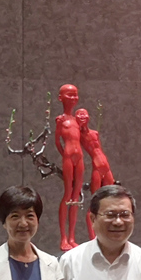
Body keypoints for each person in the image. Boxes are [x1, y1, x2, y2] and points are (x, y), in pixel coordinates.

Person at [74, 108, 115, 240]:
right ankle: (93, 237)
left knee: (111, 197)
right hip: (96, 167)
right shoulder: (78, 135)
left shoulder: (95, 133)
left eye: (84, 114)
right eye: (79, 115)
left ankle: (108, 232)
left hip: (105, 166)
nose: (82, 117)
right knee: (94, 203)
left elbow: (99, 149)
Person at [54, 84, 85, 251]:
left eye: (75, 95)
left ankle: (72, 237)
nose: (73, 98)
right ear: (61, 98)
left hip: (79, 158)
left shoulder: (76, 120)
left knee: (76, 196)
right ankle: (63, 238)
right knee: (67, 194)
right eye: (69, 95)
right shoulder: (60, 120)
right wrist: (64, 155)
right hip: (68, 157)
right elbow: (57, 141)